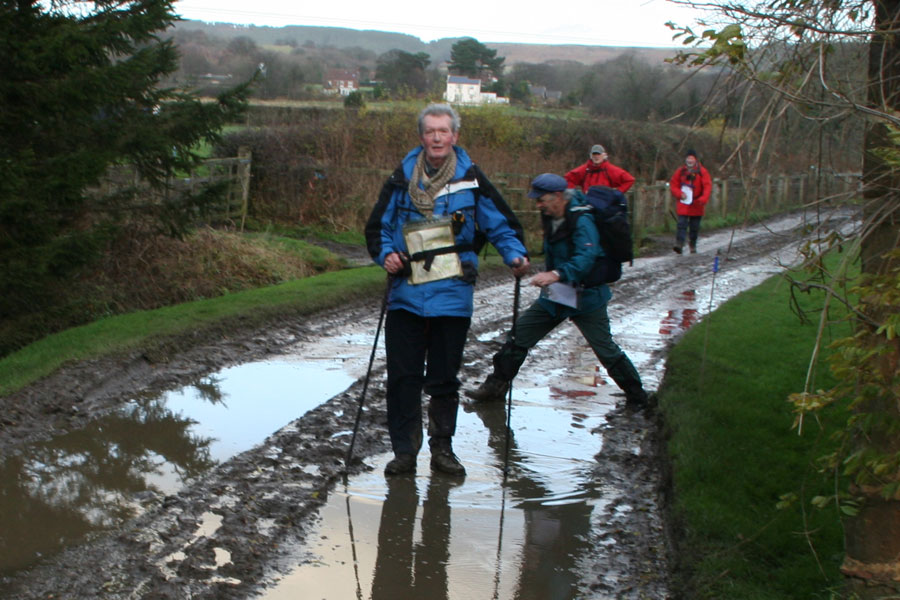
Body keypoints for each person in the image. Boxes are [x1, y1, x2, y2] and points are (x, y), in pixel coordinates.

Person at [365, 103, 530, 477]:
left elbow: (500, 224)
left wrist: (515, 255)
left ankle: (443, 451)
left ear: (455, 136)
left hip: (453, 296)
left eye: (444, 131)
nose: (437, 137)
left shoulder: (471, 178)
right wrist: (387, 255)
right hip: (406, 295)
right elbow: (379, 227)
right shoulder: (400, 177)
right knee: (403, 378)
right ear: (421, 136)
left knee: (443, 378)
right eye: (430, 131)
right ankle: (404, 453)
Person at [466, 173, 650, 411]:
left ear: (559, 196)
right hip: (558, 294)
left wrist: (556, 275)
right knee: (519, 336)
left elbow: (587, 256)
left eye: (542, 199)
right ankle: (495, 388)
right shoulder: (552, 216)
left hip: (586, 297)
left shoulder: (582, 218)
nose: (538, 205)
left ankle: (637, 396)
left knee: (605, 349)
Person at [669, 149, 712, 254]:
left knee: (694, 226)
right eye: (688, 158)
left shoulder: (702, 172)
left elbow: (707, 186)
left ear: (695, 159)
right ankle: (679, 244)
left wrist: (703, 199)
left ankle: (692, 244)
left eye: (692, 158)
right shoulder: (680, 171)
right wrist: (679, 194)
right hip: (683, 202)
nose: (690, 160)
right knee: (681, 224)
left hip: (697, 203)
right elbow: (673, 185)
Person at [564, 144, 636, 194]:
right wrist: (574, 195)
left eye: (598, 154)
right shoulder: (584, 169)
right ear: (590, 156)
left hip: (604, 206)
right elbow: (568, 178)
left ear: (604, 155)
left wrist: (618, 193)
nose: (596, 156)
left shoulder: (610, 169)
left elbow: (629, 180)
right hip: (587, 204)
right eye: (594, 154)